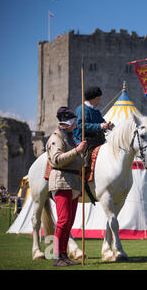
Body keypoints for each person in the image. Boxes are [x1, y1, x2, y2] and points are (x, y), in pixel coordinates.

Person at [46, 107, 87, 267]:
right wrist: (77, 151)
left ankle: (64, 255)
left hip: (73, 182)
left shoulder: (69, 137)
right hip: (61, 180)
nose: (76, 124)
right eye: (74, 121)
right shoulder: (56, 138)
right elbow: (56, 160)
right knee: (63, 221)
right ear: (68, 122)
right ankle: (57, 256)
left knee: (69, 221)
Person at [73, 86, 114, 167]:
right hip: (86, 142)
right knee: (86, 164)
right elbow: (81, 125)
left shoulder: (96, 111)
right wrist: (99, 126)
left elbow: (102, 123)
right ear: (93, 99)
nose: (99, 101)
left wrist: (108, 126)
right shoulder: (82, 109)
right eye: (98, 99)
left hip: (98, 141)